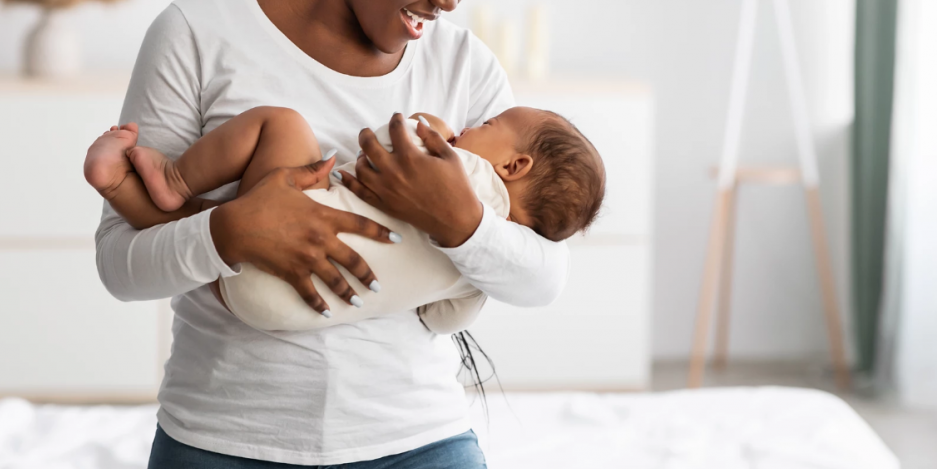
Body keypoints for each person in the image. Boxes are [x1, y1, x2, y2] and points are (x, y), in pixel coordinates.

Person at [93, 0, 572, 469]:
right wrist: (228, 231)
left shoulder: (465, 68)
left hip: (419, 441)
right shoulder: (199, 33)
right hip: (224, 442)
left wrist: (461, 224)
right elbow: (119, 265)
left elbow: (544, 276)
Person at [85, 107, 605, 333]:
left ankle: (172, 180)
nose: (472, 124)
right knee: (229, 222)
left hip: (253, 263)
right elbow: (440, 321)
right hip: (279, 313)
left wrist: (428, 125)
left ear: (514, 166)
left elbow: (379, 147)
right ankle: (119, 184)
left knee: (282, 126)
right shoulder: (482, 275)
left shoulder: (461, 167)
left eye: (488, 124)